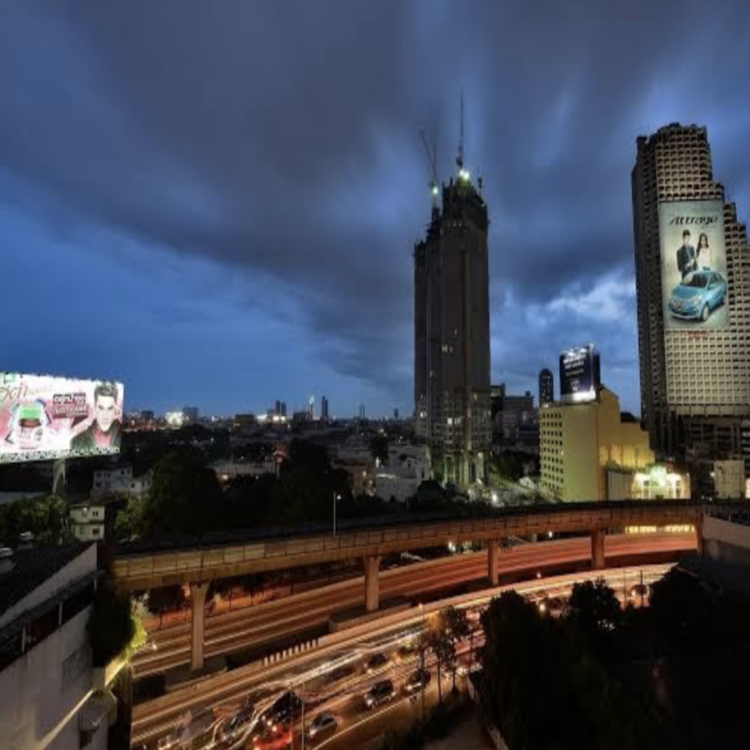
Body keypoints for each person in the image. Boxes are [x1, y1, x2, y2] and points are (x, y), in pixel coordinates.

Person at [71, 382, 121, 451]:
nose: (105, 416)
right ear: (95, 408)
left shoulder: (124, 436)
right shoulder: (76, 441)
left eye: (110, 408)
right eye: (101, 408)